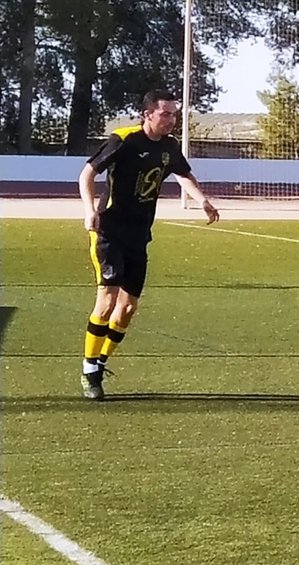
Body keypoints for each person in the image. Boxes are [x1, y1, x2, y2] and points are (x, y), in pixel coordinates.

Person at [77, 89, 220, 400]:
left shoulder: (169, 147)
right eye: (165, 113)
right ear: (148, 114)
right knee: (107, 299)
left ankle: (100, 362)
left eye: (174, 114)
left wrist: (203, 201)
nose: (171, 119)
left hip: (139, 234)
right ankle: (89, 370)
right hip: (109, 231)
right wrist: (89, 211)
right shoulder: (124, 140)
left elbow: (184, 175)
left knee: (127, 308)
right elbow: (87, 173)